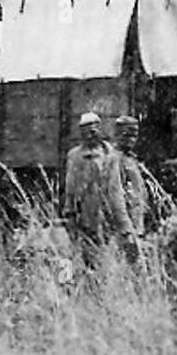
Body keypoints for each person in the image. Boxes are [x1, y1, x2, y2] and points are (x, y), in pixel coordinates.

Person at [63, 112, 140, 270]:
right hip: (83, 217)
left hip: (105, 218)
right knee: (83, 261)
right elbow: (69, 189)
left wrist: (125, 228)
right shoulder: (74, 156)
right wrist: (69, 214)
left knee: (106, 262)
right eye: (86, 130)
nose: (91, 133)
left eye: (94, 129)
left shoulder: (109, 156)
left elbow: (115, 193)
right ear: (81, 133)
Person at [113, 115, 152, 236]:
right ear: (117, 135)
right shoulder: (114, 159)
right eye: (126, 135)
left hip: (136, 221)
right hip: (124, 226)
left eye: (134, 136)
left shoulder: (131, 159)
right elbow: (115, 194)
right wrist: (125, 226)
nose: (131, 140)